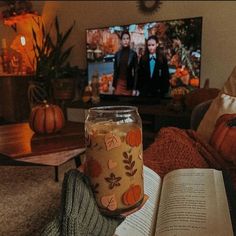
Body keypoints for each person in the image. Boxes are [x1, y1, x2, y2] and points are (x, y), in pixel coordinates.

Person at [113, 31, 138, 96]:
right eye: (124, 39)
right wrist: (114, 85)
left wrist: (135, 88)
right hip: (119, 83)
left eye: (127, 38)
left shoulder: (133, 54)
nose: (126, 40)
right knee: (117, 104)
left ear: (129, 40)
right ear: (121, 41)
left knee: (127, 104)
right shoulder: (117, 54)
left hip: (128, 84)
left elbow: (136, 72)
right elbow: (115, 71)